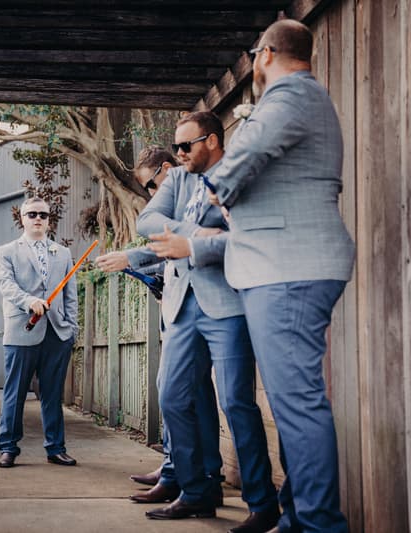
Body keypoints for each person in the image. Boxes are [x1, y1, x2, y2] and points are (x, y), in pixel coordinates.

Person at [207, 19, 355, 533]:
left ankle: (318, 525)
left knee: (298, 403)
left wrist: (216, 187)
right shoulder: (299, 97)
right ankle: (298, 517)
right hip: (282, 265)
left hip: (289, 267)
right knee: (294, 402)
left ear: (266, 53)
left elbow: (249, 151)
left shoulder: (291, 94)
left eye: (253, 55)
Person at [136, 111, 279, 527]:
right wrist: (194, 235)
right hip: (182, 306)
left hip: (227, 305)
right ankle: (196, 491)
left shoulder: (237, 175)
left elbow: (246, 237)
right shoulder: (178, 180)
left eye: (186, 146)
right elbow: (147, 221)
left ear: (212, 141)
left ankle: (262, 504)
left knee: (236, 402)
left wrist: (193, 244)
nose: (178, 154)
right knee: (172, 396)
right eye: (176, 146)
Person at [95, 146, 225, 507]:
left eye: (151, 185)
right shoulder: (176, 196)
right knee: (180, 393)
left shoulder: (194, 191)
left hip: (208, 305)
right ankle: (177, 472)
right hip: (178, 303)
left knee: (196, 395)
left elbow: (180, 245)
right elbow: (166, 251)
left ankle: (194, 476)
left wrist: (132, 257)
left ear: (165, 169)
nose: (151, 195)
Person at [0, 197, 79, 468]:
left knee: (53, 394)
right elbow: (6, 285)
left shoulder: (62, 253)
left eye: (43, 214)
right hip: (22, 330)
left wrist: (72, 329)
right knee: (15, 392)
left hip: (57, 333)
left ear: (49, 218)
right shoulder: (6, 251)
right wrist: (28, 301)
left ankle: (55, 448)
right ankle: (8, 447)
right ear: (22, 217)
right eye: (32, 214)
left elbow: (70, 296)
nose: (38, 218)